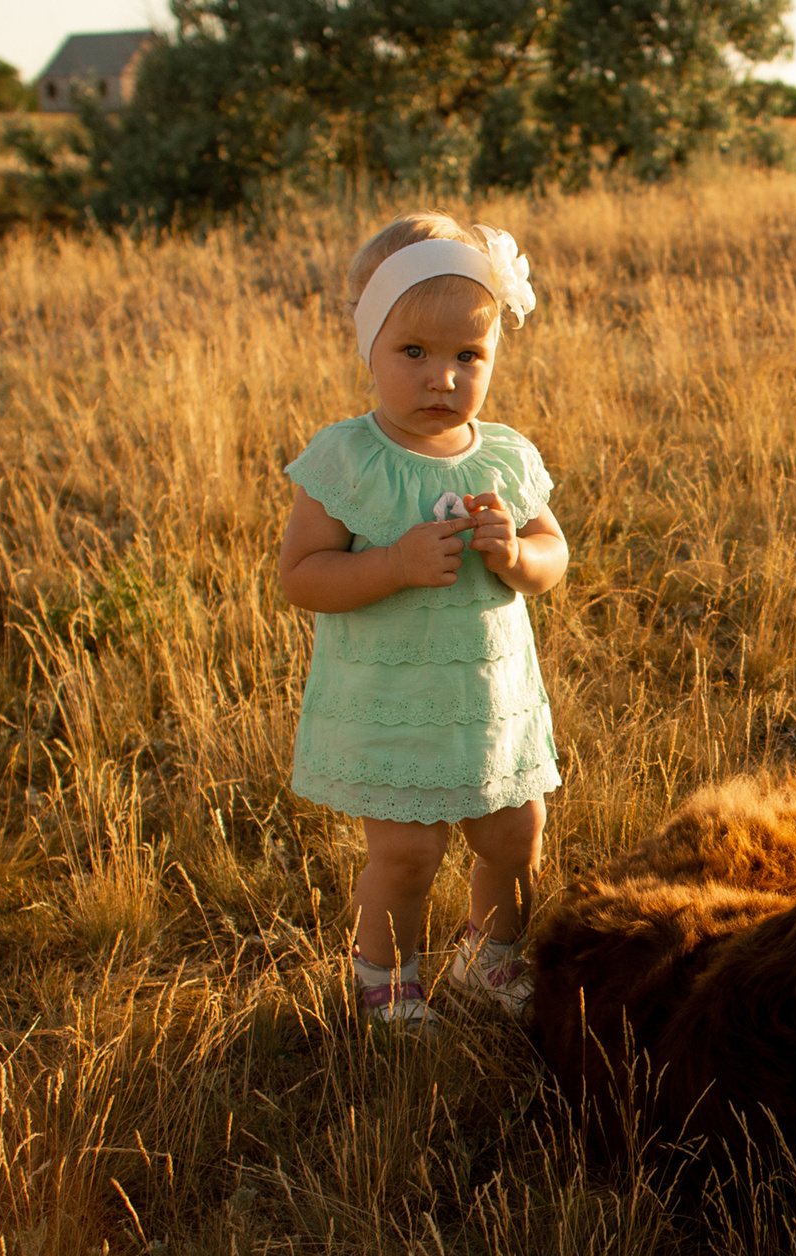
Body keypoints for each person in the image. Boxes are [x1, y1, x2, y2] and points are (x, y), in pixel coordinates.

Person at [276, 212, 569, 1027]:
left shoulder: (505, 456)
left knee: (516, 832)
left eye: (467, 356)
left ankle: (492, 958)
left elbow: (554, 557)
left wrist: (517, 556)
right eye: (414, 353)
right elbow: (301, 576)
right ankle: (387, 979)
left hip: (486, 700)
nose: (442, 377)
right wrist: (393, 565)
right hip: (391, 701)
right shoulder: (349, 459)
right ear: (369, 344)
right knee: (407, 853)